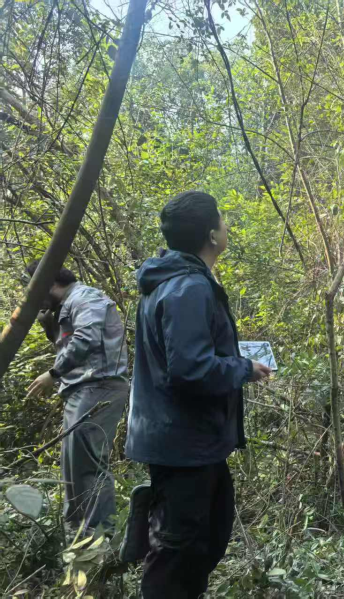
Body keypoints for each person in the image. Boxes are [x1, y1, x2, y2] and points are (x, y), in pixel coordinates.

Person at [125, 191, 271, 599]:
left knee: (204, 539)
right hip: (183, 444)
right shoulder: (189, 287)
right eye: (223, 220)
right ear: (211, 235)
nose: (227, 226)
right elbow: (189, 369)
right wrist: (243, 368)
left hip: (188, 440)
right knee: (177, 554)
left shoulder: (173, 280)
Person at [25, 260, 128, 535]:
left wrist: (53, 373)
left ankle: (98, 539)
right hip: (82, 389)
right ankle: (77, 535)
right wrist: (47, 322)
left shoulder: (85, 297)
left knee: (88, 466)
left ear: (49, 282)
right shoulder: (63, 306)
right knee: (73, 466)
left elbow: (86, 338)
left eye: (33, 288)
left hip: (99, 386)